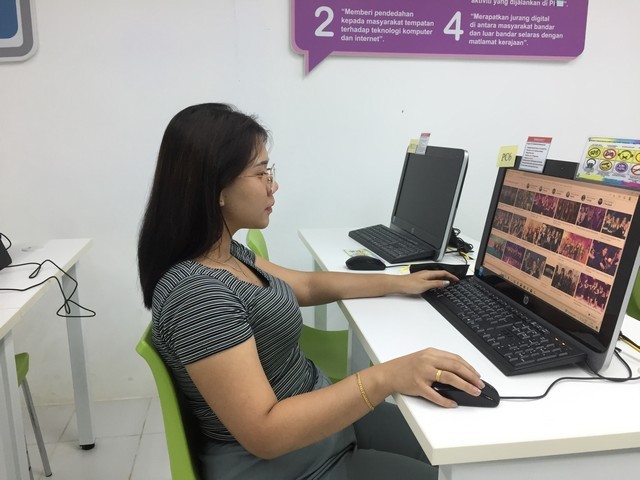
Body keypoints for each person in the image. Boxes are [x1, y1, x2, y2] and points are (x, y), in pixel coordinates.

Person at [137, 103, 485, 480]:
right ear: (216, 188)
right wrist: (386, 377)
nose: (273, 185)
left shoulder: (225, 253)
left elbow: (305, 284)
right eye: (261, 173)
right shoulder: (198, 296)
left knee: (458, 446)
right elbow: (265, 433)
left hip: (318, 426)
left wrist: (399, 282)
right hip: (289, 463)